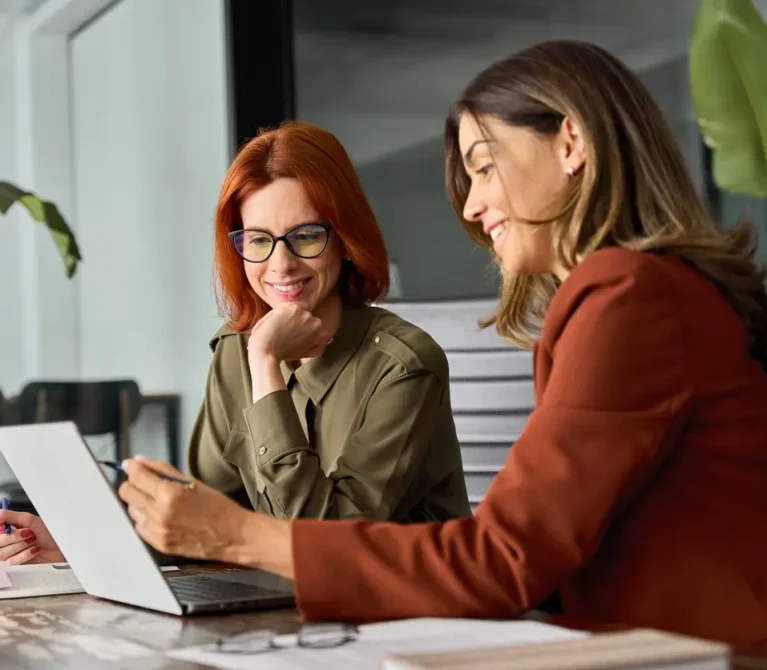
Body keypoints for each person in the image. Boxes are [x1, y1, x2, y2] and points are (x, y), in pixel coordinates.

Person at [0, 121, 471, 566]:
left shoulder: (402, 365)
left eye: (306, 235)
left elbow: (323, 544)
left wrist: (266, 368)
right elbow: (205, 518)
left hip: (401, 616)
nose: (280, 265)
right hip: (274, 609)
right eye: (259, 240)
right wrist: (80, 542)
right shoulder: (233, 349)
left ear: (344, 238)